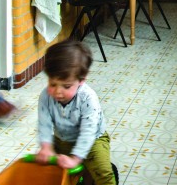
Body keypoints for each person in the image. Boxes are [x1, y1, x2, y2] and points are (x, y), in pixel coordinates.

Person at [35, 40, 118, 185]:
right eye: (52, 84)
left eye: (66, 86)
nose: (57, 92)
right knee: (49, 170)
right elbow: (44, 124)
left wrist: (75, 159)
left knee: (103, 173)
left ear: (82, 79)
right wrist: (46, 148)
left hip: (93, 141)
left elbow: (88, 131)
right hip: (62, 140)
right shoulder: (45, 97)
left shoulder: (88, 98)